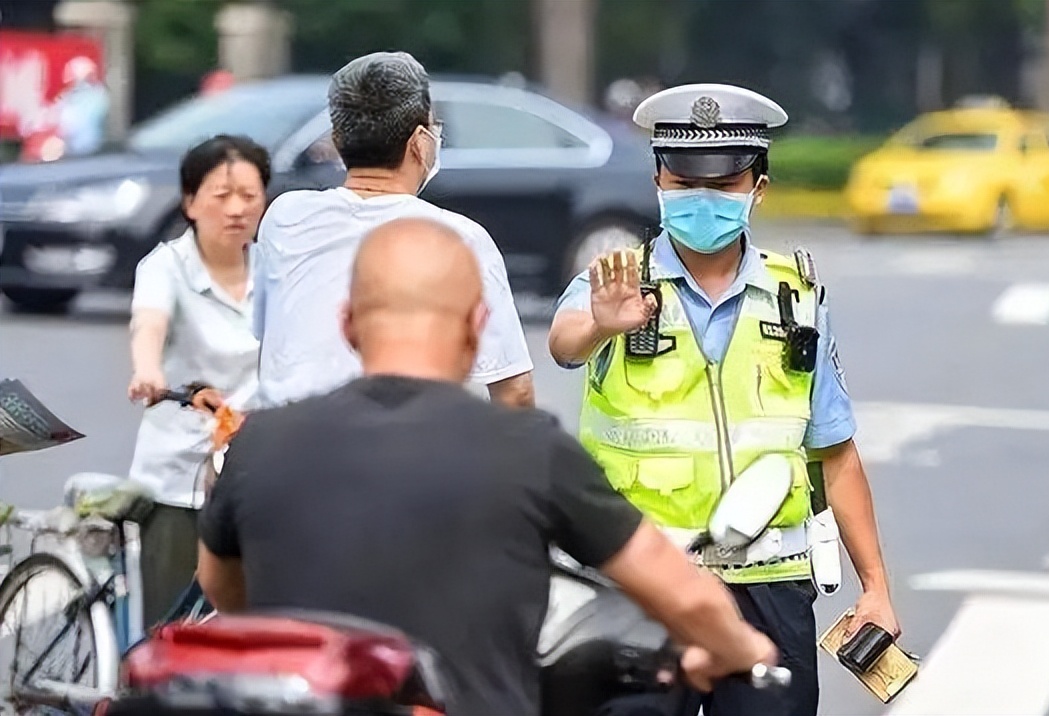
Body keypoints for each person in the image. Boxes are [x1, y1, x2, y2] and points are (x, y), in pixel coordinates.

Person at [196, 217, 778, 716]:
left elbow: (222, 588)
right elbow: (680, 593)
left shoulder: (258, 445)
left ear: (348, 324)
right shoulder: (528, 448)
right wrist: (742, 650)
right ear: (477, 327)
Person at [546, 84, 902, 716]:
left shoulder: (799, 300)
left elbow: (835, 452)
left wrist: (875, 587)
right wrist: (602, 323)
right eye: (682, 183)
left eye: (722, 185)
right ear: (658, 179)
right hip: (643, 585)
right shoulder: (617, 281)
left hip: (770, 585)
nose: (700, 199)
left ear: (757, 189)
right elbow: (565, 344)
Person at [251, 51, 534, 410]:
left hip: (285, 449)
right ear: (420, 141)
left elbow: (269, 340)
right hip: (407, 453)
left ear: (337, 141)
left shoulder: (285, 217)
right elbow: (515, 392)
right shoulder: (458, 239)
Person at [126, 134, 270, 627]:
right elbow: (150, 323)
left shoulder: (276, 270)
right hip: (178, 473)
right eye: (221, 195)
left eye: (249, 196)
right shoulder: (165, 267)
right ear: (190, 202)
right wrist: (148, 371)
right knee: (165, 623)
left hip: (252, 466)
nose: (236, 209)